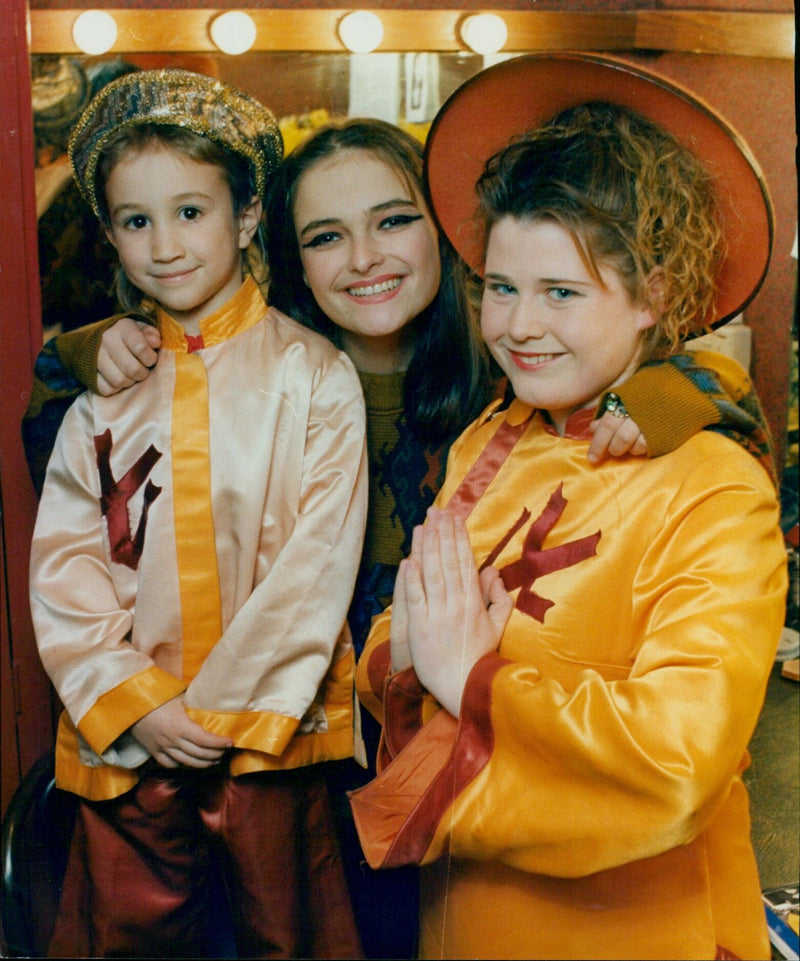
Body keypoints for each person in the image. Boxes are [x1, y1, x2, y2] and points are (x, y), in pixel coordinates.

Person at [24, 113, 776, 960]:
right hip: (287, 767)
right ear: (287, 251)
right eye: (325, 235)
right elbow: (83, 489)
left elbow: (659, 364)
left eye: (393, 220)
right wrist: (94, 348)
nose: (365, 257)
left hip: (472, 807)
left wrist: (683, 388)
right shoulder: (462, 415)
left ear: (445, 232)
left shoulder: (509, 390)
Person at [349, 55, 788, 960]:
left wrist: (474, 676)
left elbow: (677, 760)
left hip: (633, 928)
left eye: (561, 292)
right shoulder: (492, 437)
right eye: (501, 288)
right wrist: (416, 659)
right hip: (465, 908)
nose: (518, 326)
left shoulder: (714, 485)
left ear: (652, 297)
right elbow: (403, 634)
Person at [27, 68, 368, 959]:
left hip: (268, 748)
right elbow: (65, 570)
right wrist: (136, 705)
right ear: (109, 233)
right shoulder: (98, 405)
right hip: (130, 751)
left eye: (191, 211)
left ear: (248, 217)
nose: (166, 244)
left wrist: (215, 715)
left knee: (281, 936)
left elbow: (314, 567)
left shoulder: (315, 376)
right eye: (137, 221)